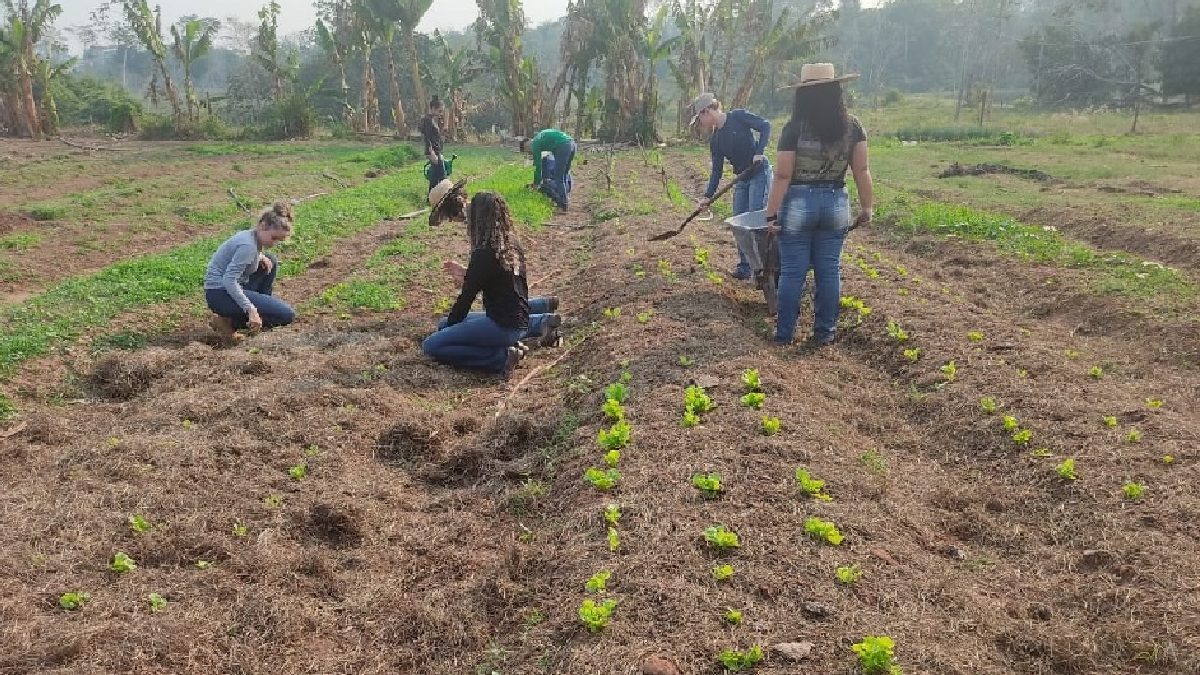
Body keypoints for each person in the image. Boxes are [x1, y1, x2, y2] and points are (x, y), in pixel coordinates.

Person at [763, 63, 873, 347]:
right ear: (836, 91)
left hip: (799, 202)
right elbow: (861, 171)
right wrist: (866, 207)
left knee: (792, 272)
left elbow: (783, 176)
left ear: (802, 95)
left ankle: (784, 334)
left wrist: (770, 215)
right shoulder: (853, 126)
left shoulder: (794, 129)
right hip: (836, 201)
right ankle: (824, 333)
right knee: (828, 270)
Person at [423, 192, 563, 376]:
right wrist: (469, 275)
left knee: (432, 344)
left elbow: (465, 301)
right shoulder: (511, 242)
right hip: (517, 319)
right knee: (442, 324)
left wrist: (453, 328)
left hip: (503, 326)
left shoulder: (483, 252)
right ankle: (536, 323)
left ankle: (501, 357)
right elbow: (496, 278)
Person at [689, 92, 773, 280]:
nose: (700, 124)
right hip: (742, 179)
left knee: (754, 222)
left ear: (707, 111)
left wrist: (759, 152)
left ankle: (762, 267)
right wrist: (707, 197)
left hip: (759, 173)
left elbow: (765, 126)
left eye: (699, 118)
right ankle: (744, 267)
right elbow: (716, 172)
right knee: (738, 223)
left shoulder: (738, 117)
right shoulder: (716, 141)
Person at [204, 202, 297, 343]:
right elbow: (229, 280)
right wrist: (250, 309)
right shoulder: (248, 246)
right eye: (274, 238)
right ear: (263, 226)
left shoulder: (250, 237)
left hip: (225, 289)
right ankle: (230, 323)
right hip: (219, 293)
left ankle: (259, 317)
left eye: (279, 240)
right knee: (286, 315)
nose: (274, 243)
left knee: (270, 260)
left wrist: (260, 256)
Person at [520, 128, 575, 211]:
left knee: (558, 177)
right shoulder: (540, 136)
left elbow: (538, 167)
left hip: (563, 145)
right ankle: (565, 198)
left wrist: (536, 184)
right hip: (572, 143)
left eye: (528, 151)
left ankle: (563, 205)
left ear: (527, 145)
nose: (530, 153)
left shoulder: (535, 144)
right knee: (563, 174)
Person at [419, 95, 446, 194]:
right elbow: (427, 138)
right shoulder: (427, 120)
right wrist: (432, 153)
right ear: (433, 108)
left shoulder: (431, 120)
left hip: (436, 151)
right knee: (442, 176)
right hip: (433, 151)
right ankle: (442, 197)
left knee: (435, 177)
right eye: (439, 111)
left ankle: (431, 198)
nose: (441, 114)